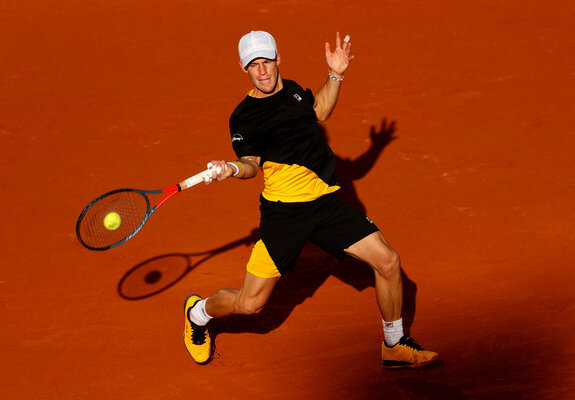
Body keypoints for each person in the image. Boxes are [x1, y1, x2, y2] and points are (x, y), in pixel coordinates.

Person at [183, 30, 439, 368]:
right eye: (254, 65)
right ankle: (198, 313)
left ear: (278, 60)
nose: (262, 71)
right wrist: (230, 167)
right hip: (284, 216)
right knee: (249, 305)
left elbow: (318, 110)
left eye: (267, 62)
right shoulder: (244, 116)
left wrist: (336, 75)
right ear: (244, 69)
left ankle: (393, 344)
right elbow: (250, 165)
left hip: (326, 204)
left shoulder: (291, 90)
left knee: (388, 261)